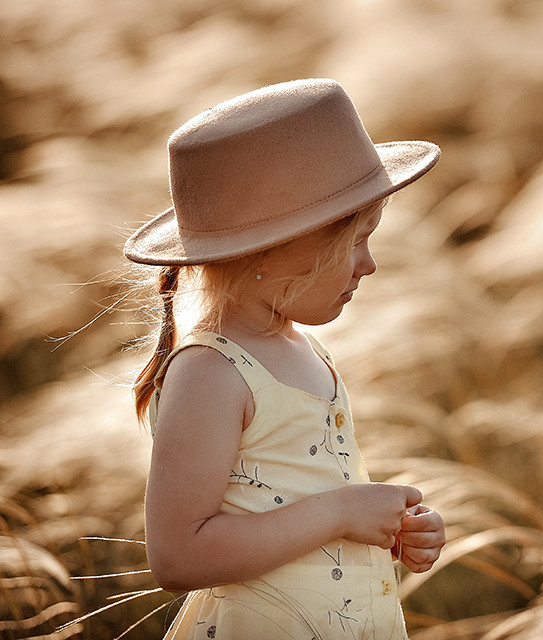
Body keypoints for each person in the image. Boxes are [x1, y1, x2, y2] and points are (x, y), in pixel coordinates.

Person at [123, 78, 445, 639]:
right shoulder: (211, 372)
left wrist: (389, 531)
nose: (368, 265)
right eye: (354, 241)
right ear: (266, 250)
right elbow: (178, 555)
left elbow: (295, 503)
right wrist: (342, 513)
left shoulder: (300, 347)